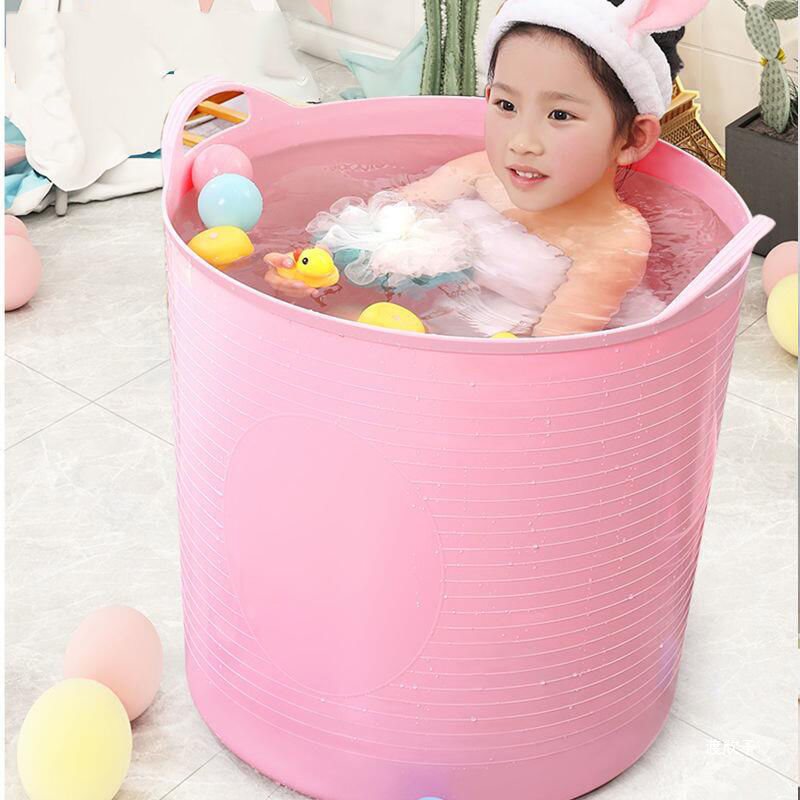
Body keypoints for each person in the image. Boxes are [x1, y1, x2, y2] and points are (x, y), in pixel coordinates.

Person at [264, 0, 706, 337]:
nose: (522, 141)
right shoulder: (479, 173)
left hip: (491, 363)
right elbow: (377, 222)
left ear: (632, 139)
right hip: (425, 324)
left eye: (560, 115)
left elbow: (550, 356)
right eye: (507, 105)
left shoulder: (612, 243)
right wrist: (311, 271)